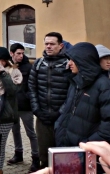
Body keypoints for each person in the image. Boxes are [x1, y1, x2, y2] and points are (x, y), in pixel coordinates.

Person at [55, 42, 110, 146]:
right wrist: (58, 127)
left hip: (86, 151)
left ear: (83, 61)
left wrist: (87, 144)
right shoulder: (75, 82)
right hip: (67, 145)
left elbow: (107, 127)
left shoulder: (104, 85)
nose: (69, 63)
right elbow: (67, 110)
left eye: (73, 60)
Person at [28, 32, 69, 169]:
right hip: (42, 116)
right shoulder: (38, 64)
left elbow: (72, 92)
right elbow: (32, 88)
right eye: (46, 44)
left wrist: (60, 112)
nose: (49, 46)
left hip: (62, 117)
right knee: (44, 153)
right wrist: (37, 110)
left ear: (60, 45)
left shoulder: (68, 64)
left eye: (52, 44)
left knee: (62, 153)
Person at [7, 43, 39, 172]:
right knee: (15, 131)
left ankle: (36, 158)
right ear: (12, 53)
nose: (21, 56)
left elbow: (32, 85)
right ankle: (18, 153)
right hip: (12, 105)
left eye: (22, 53)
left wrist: (27, 97)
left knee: (30, 132)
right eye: (18, 53)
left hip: (26, 106)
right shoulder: (8, 66)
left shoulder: (28, 66)